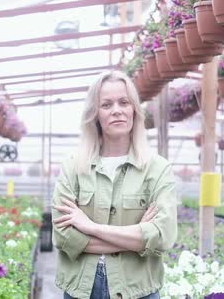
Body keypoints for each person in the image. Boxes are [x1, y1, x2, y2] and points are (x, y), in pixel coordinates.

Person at [52, 70, 178, 299]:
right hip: (81, 288)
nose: (117, 110)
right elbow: (63, 236)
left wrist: (90, 227)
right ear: (95, 114)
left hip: (137, 290)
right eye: (106, 104)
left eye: (124, 102)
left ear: (134, 110)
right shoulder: (73, 167)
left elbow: (162, 237)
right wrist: (137, 238)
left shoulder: (157, 169)